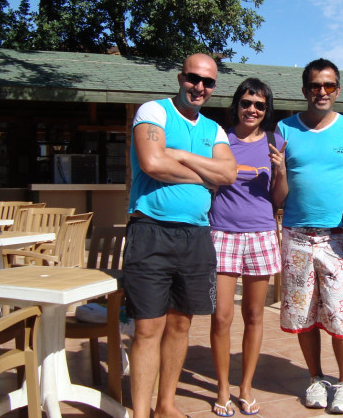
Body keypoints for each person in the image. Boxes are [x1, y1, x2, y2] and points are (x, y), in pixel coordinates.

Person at [122, 53, 237, 418]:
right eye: (193, 78)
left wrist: (181, 157)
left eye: (208, 82)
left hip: (196, 236)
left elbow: (229, 174)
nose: (199, 87)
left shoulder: (214, 130)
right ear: (180, 77)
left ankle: (165, 405)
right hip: (151, 231)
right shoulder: (154, 112)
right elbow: (152, 163)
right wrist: (206, 176)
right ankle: (140, 413)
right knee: (147, 327)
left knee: (180, 324)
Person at [277, 58, 343, 414]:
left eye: (329, 85)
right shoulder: (284, 128)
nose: (322, 91)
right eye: (315, 85)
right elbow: (276, 180)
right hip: (296, 235)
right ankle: (316, 378)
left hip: (337, 237)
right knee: (304, 314)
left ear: (338, 90)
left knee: (339, 313)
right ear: (305, 90)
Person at [208, 78, 288, 416]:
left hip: (261, 233)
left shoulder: (275, 142)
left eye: (259, 105)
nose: (252, 109)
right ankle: (222, 387)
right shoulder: (220, 139)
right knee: (221, 316)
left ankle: (246, 386)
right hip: (222, 233)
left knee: (254, 315)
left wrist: (281, 171)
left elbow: (278, 198)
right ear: (236, 105)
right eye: (246, 103)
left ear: (266, 110)